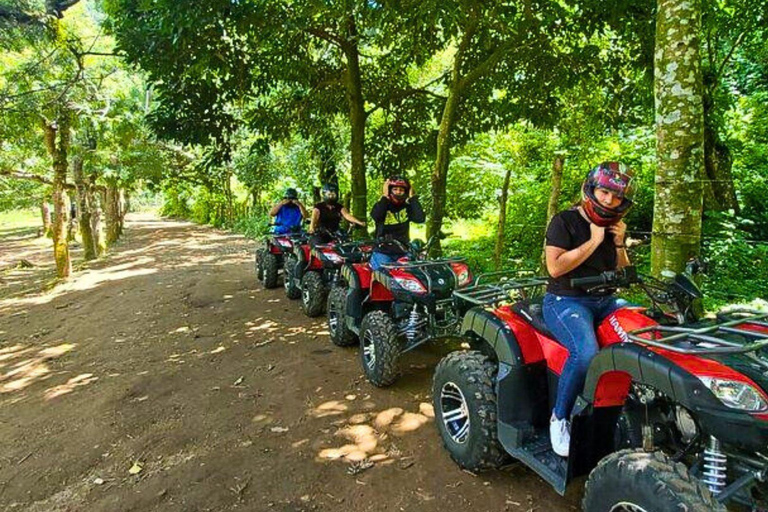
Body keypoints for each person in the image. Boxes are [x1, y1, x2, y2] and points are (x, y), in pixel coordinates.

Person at [542, 161, 634, 458]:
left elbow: (626, 275)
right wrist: (594, 240)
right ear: (592, 189)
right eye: (604, 191)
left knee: (645, 332)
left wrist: (618, 243)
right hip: (566, 301)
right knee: (585, 355)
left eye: (616, 196)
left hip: (606, 300)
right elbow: (555, 268)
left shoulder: (613, 228)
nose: (609, 200)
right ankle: (560, 418)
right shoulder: (564, 221)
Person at [369, 176, 425, 270]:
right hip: (383, 251)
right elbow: (376, 216)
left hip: (403, 250)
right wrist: (385, 196)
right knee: (382, 277)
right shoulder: (382, 205)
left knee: (412, 277)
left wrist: (413, 198)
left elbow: (420, 218)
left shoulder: (407, 207)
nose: (398, 192)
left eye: (401, 190)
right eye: (395, 189)